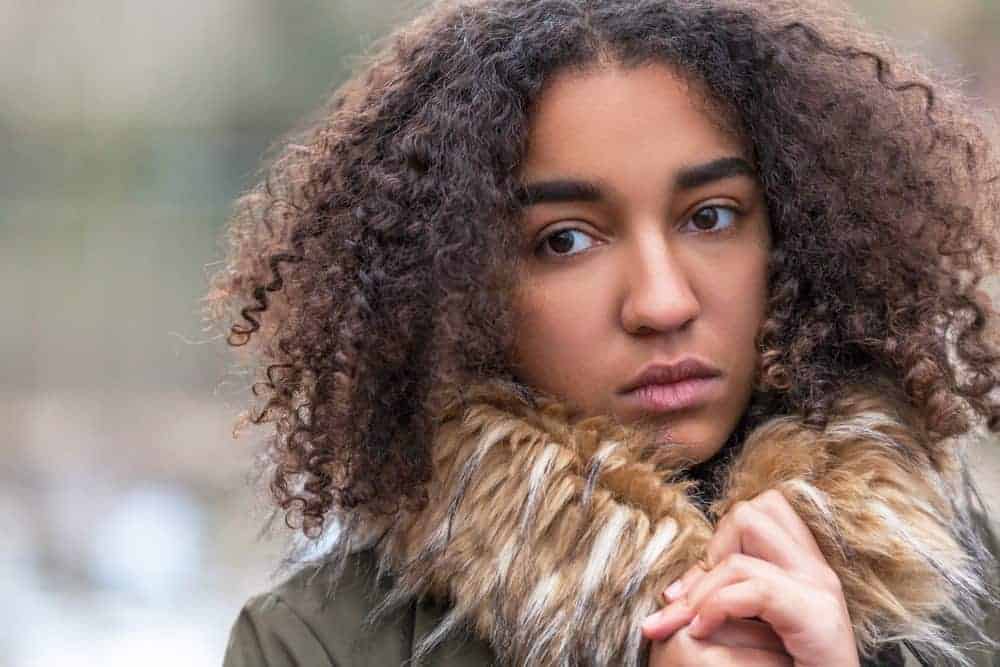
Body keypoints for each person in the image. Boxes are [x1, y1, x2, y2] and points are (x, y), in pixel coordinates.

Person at [207, 0, 1000, 664]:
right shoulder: (312, 645)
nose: (660, 302)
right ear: (459, 283)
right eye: (566, 240)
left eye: (712, 216)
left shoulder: (969, 593)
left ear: (795, 234)